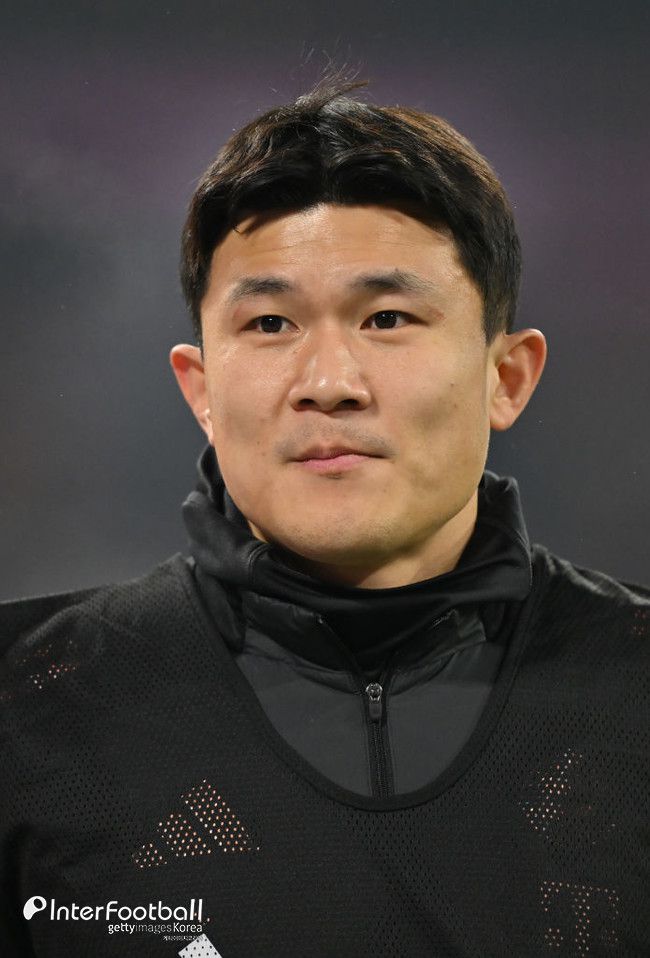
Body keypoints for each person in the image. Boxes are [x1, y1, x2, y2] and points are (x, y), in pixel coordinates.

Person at [1, 76, 648, 958]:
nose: (329, 382)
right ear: (200, 388)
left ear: (507, 378)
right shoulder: (28, 702)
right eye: (271, 323)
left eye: (387, 317)